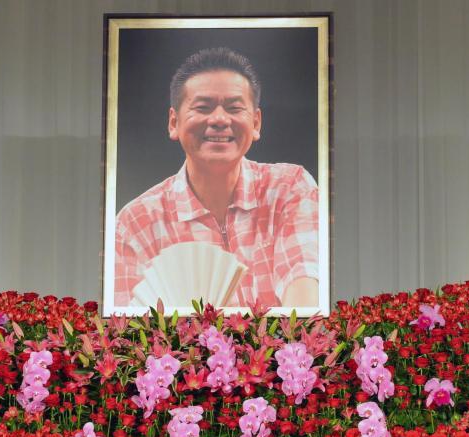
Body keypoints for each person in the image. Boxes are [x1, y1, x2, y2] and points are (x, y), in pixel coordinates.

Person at [114, 47, 320, 308]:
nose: (220, 119)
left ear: (256, 123)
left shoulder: (290, 188)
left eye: (234, 108)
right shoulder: (135, 224)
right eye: (203, 107)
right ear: (173, 122)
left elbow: (304, 301)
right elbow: (124, 334)